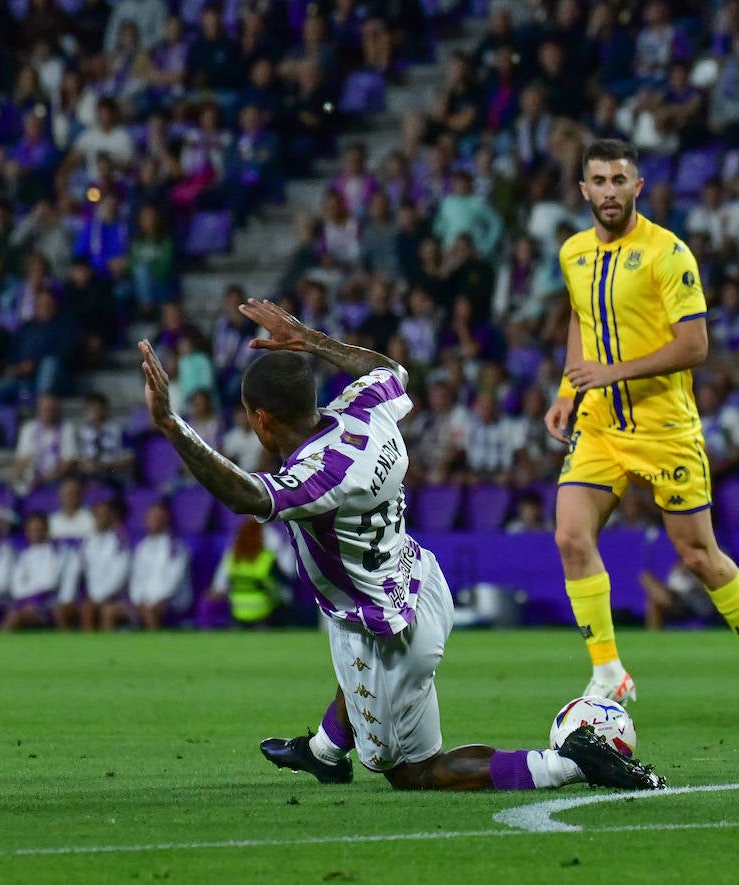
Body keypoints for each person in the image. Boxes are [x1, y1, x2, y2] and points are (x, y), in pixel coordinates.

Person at [137, 299, 662, 791]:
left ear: (261, 419)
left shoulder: (319, 476)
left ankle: (567, 763)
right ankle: (324, 751)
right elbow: (390, 369)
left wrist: (170, 423)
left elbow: (244, 495)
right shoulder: (363, 410)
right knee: (344, 642)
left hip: (387, 631)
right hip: (418, 580)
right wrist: (311, 340)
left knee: (414, 772)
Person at [543, 139, 739, 730]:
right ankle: (608, 671)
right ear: (583, 190)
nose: (608, 191)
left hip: (665, 429)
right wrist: (568, 391)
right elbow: (582, 319)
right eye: (597, 181)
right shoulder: (572, 252)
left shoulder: (667, 253)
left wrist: (611, 372)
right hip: (601, 425)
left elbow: (695, 345)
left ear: (637, 188)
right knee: (571, 538)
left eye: (618, 180)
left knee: (699, 556)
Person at [102, 502, 189, 631]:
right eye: (152, 517)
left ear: (166, 520)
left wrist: (151, 601)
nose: (154, 521)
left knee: (151, 611)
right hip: (142, 601)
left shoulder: (175, 547)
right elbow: (136, 578)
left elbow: (173, 583)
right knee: (109, 610)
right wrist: (138, 600)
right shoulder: (142, 547)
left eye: (158, 517)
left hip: (169, 602)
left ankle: (154, 647)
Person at [56, 499, 131, 631]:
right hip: (91, 596)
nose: (101, 519)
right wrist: (67, 598)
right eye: (98, 515)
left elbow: (120, 576)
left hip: (115, 596)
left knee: (92, 609)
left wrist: (99, 597)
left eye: (105, 515)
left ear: (111, 518)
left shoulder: (119, 542)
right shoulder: (87, 542)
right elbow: (74, 571)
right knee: (63, 610)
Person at [0, 512, 76, 631]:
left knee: (17, 617)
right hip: (25, 601)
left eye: (38, 529)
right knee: (13, 613)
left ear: (46, 530)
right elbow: (17, 587)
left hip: (48, 600)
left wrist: (33, 590)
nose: (35, 533)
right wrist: (30, 594)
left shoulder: (57, 552)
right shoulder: (24, 555)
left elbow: (51, 582)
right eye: (32, 530)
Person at [207, 519, 284, 627]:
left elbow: (221, 581)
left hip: (237, 609)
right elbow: (284, 577)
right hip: (262, 610)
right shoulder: (267, 557)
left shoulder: (233, 557)